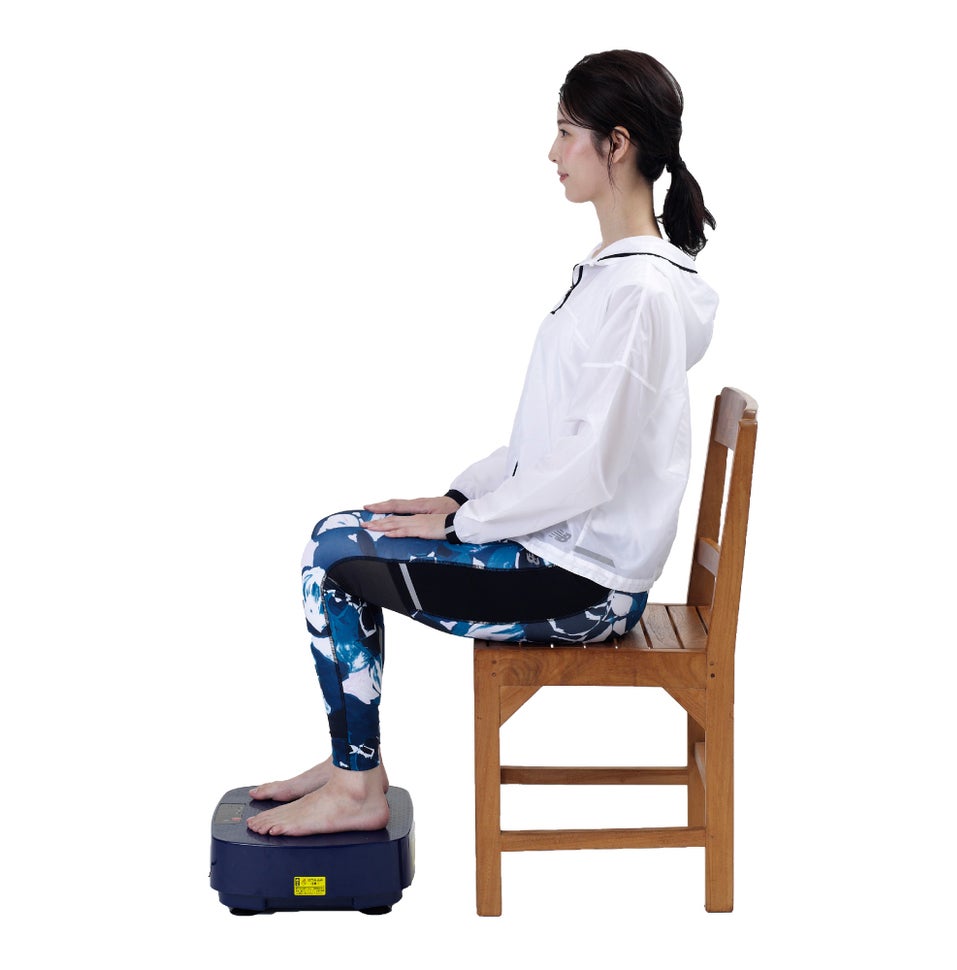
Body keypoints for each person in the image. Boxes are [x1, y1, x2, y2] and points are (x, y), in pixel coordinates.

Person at [247, 49, 718, 837]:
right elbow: (548, 441)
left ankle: (357, 785)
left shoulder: (638, 292)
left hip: (582, 586)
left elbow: (587, 470)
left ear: (617, 144)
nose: (552, 151)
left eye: (567, 131)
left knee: (331, 560)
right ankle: (351, 763)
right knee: (340, 533)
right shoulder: (618, 277)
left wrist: (464, 526)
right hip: (567, 557)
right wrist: (458, 497)